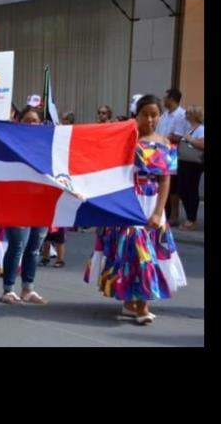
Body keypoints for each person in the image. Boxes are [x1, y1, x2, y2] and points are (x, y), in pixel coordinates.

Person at [83, 94, 187, 324]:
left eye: (154, 115)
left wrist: (160, 211)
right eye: (145, 114)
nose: (150, 119)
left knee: (147, 254)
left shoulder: (165, 144)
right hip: (128, 203)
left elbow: (165, 180)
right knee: (135, 254)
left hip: (151, 203)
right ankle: (138, 305)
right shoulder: (124, 140)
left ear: (160, 116)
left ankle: (136, 302)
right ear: (136, 115)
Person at [0, 106, 50, 305]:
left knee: (35, 248)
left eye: (35, 121)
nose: (31, 124)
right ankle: (9, 289)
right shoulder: (12, 144)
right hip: (18, 202)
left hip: (41, 202)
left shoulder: (46, 144)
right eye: (27, 120)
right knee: (18, 245)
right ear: (19, 122)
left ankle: (28, 288)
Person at [156, 89, 190, 226]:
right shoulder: (165, 114)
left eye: (166, 97)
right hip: (159, 150)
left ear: (172, 99)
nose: (164, 100)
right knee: (160, 181)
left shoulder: (181, 115)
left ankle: (174, 215)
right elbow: (158, 131)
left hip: (172, 152)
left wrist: (160, 139)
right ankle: (164, 211)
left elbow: (177, 136)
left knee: (173, 185)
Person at [177, 106, 205, 230]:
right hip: (184, 162)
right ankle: (189, 216)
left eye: (188, 113)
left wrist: (190, 139)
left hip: (194, 164)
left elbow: (202, 145)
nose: (185, 115)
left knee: (191, 190)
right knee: (182, 189)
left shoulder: (201, 129)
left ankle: (191, 219)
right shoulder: (189, 128)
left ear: (194, 115)